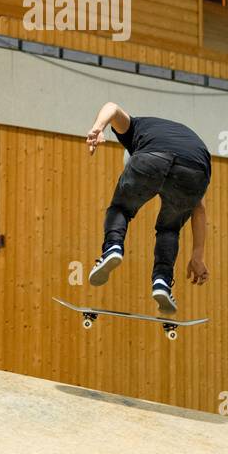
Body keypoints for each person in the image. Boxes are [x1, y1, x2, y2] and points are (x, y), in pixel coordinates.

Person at [86, 101, 210, 314]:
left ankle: (113, 248)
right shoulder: (167, 132)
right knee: (169, 228)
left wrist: (98, 127)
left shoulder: (133, 130)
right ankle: (162, 282)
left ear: (132, 156)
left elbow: (112, 107)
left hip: (152, 157)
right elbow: (199, 209)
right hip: (196, 169)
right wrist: (198, 255)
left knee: (121, 207)